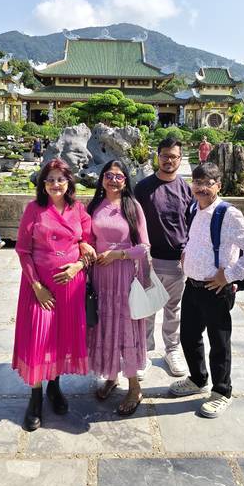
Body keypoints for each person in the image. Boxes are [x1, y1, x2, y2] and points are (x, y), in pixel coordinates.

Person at [169, 162, 244, 418]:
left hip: (216, 289)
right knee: (189, 336)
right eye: (197, 183)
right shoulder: (193, 207)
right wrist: (185, 254)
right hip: (193, 284)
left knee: (219, 342)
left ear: (218, 185)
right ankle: (198, 379)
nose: (201, 188)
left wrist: (229, 275)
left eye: (207, 183)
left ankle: (222, 391)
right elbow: (195, 238)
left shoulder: (227, 214)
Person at [12, 159, 95, 431]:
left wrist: (78, 265)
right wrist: (36, 285)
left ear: (69, 181)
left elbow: (89, 243)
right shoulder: (34, 210)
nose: (55, 184)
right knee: (39, 338)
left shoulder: (78, 209)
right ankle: (35, 398)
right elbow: (23, 251)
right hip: (40, 286)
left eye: (60, 179)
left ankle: (54, 387)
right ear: (42, 183)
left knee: (60, 338)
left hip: (71, 285)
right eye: (50, 179)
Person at [88, 160, 150, 415]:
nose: (113, 180)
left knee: (125, 329)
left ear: (126, 182)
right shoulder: (93, 207)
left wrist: (118, 255)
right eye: (109, 175)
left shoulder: (132, 207)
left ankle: (134, 387)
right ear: (102, 179)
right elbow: (86, 238)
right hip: (100, 279)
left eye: (119, 176)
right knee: (105, 327)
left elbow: (144, 247)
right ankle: (112, 376)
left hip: (124, 278)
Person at [134, 137, 192, 377]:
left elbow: (193, 223)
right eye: (165, 155)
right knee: (147, 309)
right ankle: (143, 353)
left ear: (180, 159)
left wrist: (189, 249)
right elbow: (133, 222)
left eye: (174, 156)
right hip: (149, 259)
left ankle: (172, 349)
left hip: (177, 260)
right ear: (157, 156)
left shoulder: (186, 188)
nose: (169, 160)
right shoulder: (143, 187)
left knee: (173, 309)